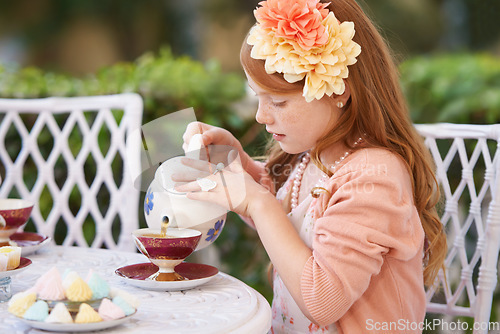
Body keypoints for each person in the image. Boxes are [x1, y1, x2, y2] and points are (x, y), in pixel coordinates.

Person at [176, 0, 447, 333]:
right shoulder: (314, 156)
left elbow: (322, 300)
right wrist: (238, 166)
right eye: (257, 97)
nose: (262, 116)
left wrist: (257, 202)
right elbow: (291, 213)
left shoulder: (376, 178)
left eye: (277, 101)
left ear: (339, 91)